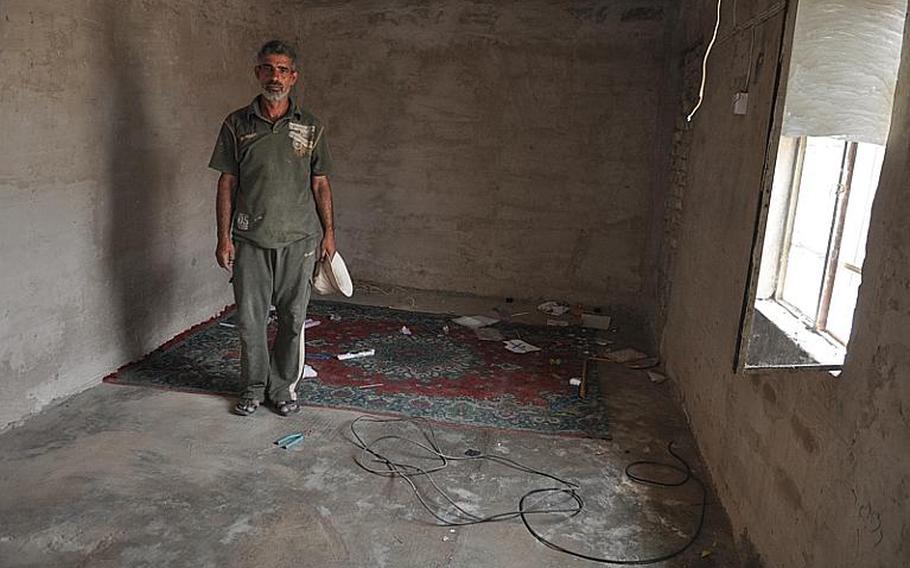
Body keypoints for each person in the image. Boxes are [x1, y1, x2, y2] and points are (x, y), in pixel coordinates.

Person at [208, 40, 336, 416]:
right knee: (250, 320)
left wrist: (329, 232)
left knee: (294, 318)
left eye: (283, 70)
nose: (275, 76)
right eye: (268, 68)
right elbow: (227, 182)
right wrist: (223, 237)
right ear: (257, 73)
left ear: (293, 77)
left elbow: (321, 183)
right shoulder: (236, 124)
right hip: (250, 239)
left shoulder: (311, 126)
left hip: (299, 240)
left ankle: (282, 389)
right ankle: (251, 388)